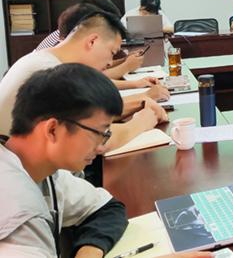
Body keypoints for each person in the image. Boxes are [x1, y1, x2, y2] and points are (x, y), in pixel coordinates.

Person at [0, 64, 209, 258]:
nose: (101, 146)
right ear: (53, 130)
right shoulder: (17, 214)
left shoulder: (43, 172)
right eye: (99, 133)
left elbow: (107, 208)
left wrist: (89, 252)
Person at [0, 10, 167, 151]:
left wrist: (140, 102)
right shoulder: (51, 73)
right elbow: (93, 139)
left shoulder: (46, 60)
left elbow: (90, 114)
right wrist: (142, 122)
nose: (110, 62)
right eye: (111, 52)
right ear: (92, 41)